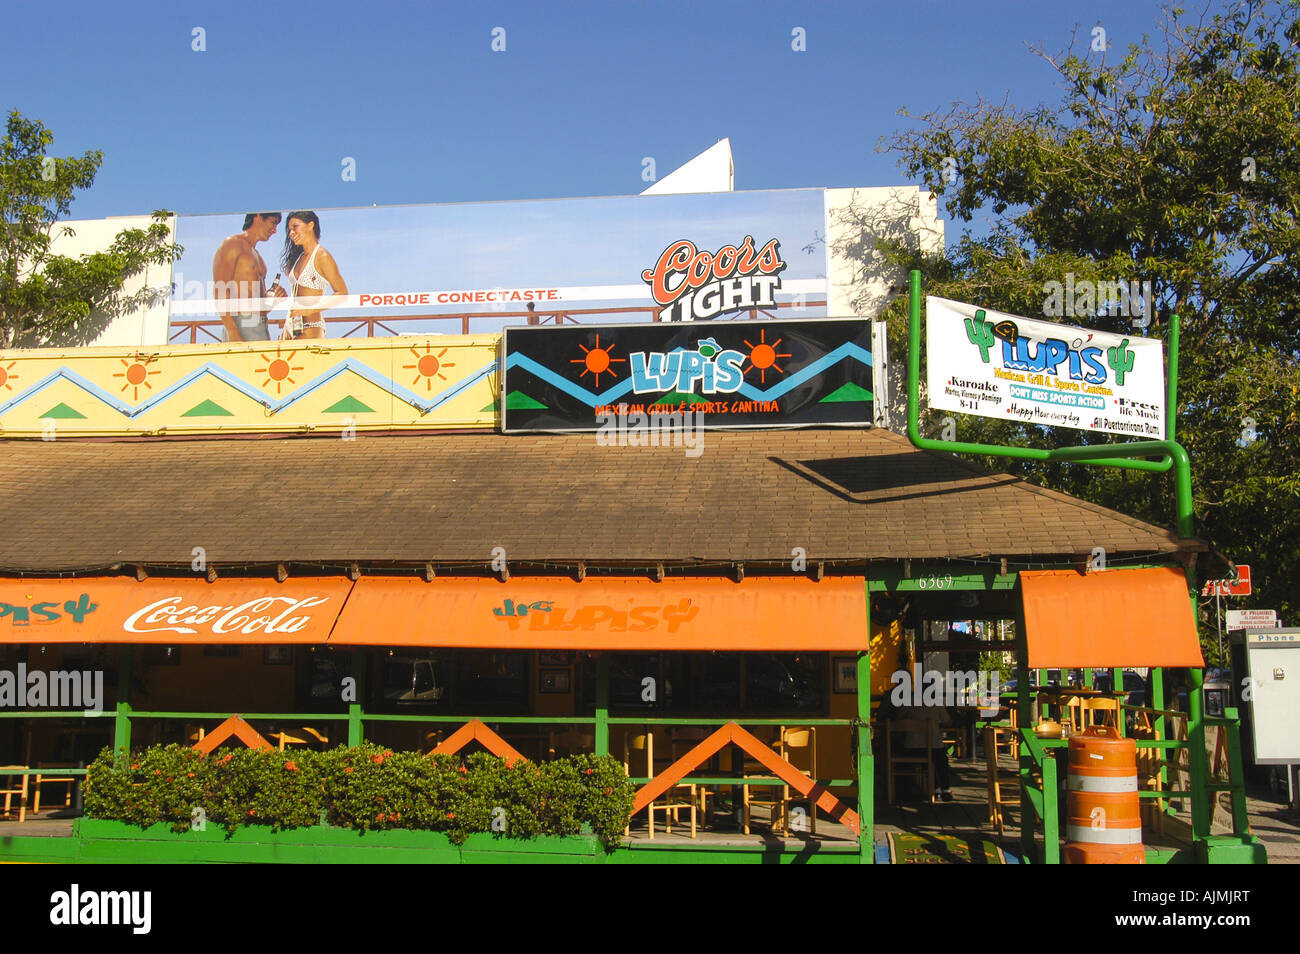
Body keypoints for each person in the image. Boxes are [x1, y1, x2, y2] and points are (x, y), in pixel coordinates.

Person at [275, 210, 347, 340]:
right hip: (290, 325)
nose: (291, 233)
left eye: (295, 227)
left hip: (311, 326)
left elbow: (342, 293)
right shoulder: (298, 257)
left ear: (310, 225)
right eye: (289, 229)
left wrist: (310, 310)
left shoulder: (322, 256)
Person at [212, 212, 281, 342]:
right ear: (258, 216)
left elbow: (260, 303)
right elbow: (219, 290)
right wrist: (232, 331)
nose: (275, 230)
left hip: (260, 324)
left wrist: (274, 299)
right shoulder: (232, 244)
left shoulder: (257, 256)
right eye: (273, 222)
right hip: (240, 323)